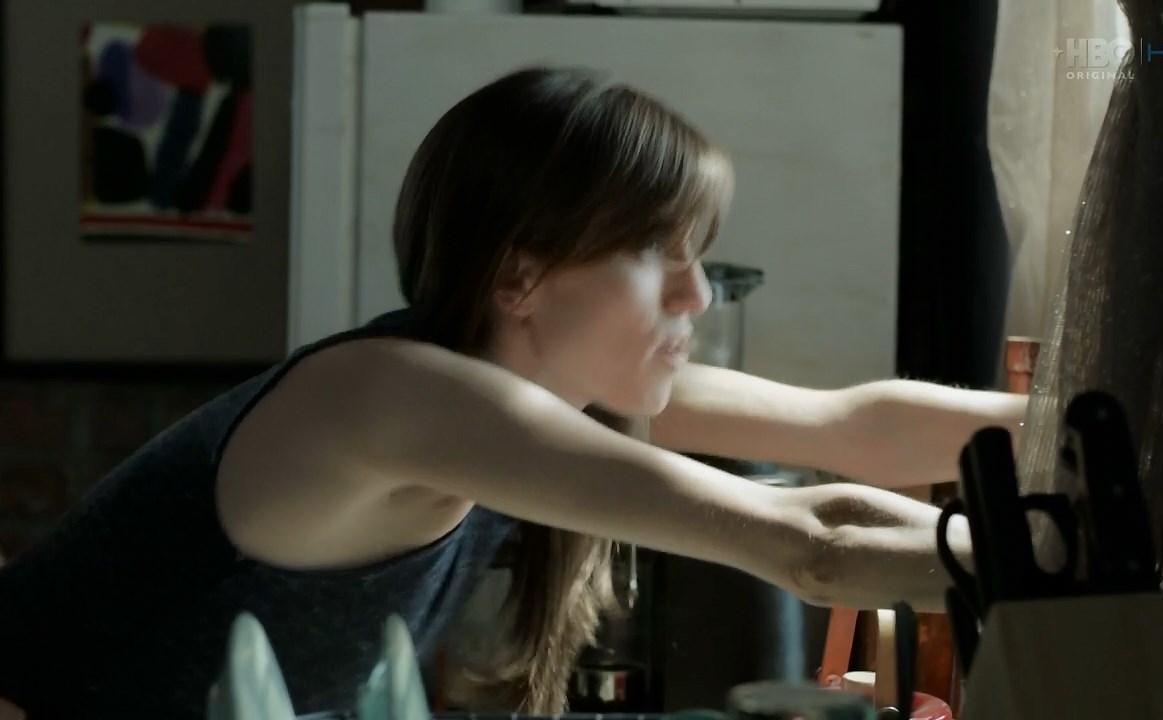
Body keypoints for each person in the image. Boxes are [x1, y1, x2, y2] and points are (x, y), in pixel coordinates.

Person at [0, 66, 1024, 718]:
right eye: (653, 251)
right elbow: (811, 544)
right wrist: (1062, 559)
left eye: (697, 253)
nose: (697, 293)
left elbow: (851, 425)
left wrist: (1054, 424)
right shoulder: (398, 397)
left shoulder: (544, 390)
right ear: (521, 277)